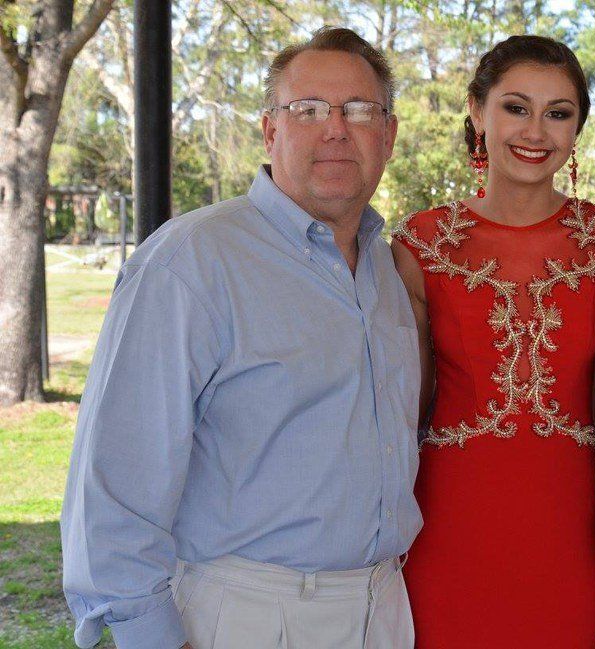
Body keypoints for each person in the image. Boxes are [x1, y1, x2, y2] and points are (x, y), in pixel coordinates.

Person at [61, 27, 421, 649]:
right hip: (246, 616)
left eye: (360, 110)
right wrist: (150, 636)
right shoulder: (191, 261)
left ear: (387, 136)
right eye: (308, 109)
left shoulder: (386, 270)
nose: (336, 129)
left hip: (382, 609)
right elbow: (114, 480)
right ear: (270, 130)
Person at [391, 35, 595, 648]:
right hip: (448, 525)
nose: (536, 131)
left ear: (577, 128)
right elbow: (403, 407)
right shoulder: (422, 244)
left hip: (563, 527)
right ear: (477, 112)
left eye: (558, 113)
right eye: (516, 107)